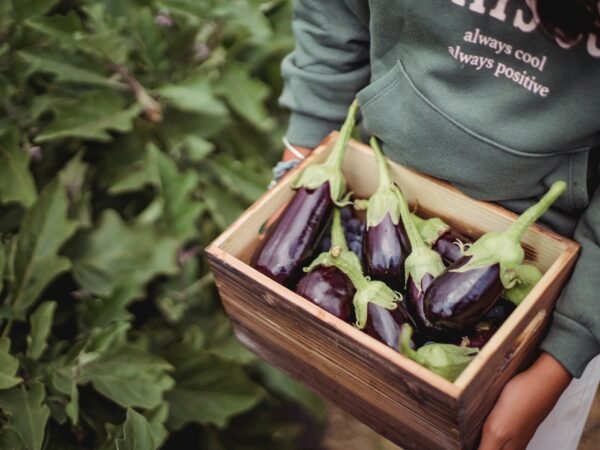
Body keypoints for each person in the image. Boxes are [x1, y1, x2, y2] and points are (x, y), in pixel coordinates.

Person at [278, 1, 600, 448]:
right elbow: (333, 15)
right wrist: (300, 161)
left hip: (562, 292)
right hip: (384, 207)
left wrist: (561, 359)